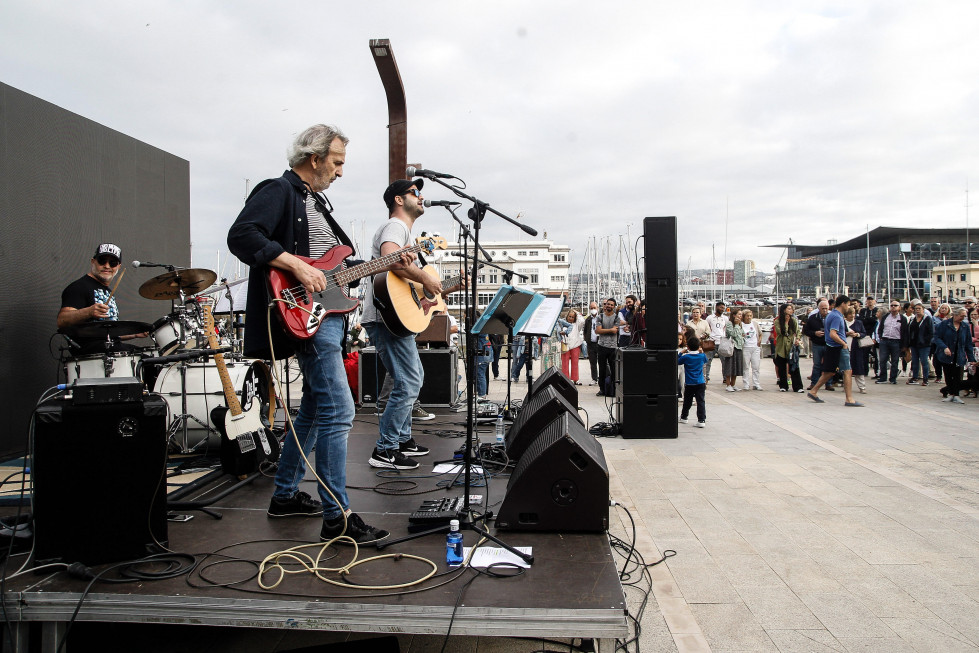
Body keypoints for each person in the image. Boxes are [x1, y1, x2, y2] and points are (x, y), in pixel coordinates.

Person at [227, 124, 400, 545]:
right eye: (337, 162)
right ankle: (337, 517)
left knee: (312, 412)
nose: (340, 172)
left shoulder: (316, 205)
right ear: (315, 157)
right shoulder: (279, 190)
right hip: (305, 316)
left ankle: (284, 495)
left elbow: (326, 266)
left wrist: (349, 276)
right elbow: (242, 235)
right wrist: (297, 266)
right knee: (340, 411)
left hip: (328, 316)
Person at [361, 178, 464, 471]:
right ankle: (385, 449)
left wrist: (447, 286)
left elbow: (416, 287)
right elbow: (390, 261)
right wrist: (427, 278)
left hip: (394, 316)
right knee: (409, 381)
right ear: (398, 200)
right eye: (414, 192)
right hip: (385, 317)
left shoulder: (406, 233)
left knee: (407, 377)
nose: (421, 197)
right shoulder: (396, 226)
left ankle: (402, 439)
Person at [58, 243, 148, 353]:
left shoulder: (108, 291)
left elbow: (107, 332)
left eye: (113, 263)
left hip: (111, 349)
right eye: (102, 261)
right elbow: (62, 320)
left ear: (118, 267)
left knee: (149, 356)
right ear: (93, 261)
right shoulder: (79, 287)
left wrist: (134, 334)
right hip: (92, 354)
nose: (107, 266)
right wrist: (88, 312)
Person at [808, 295, 863, 406]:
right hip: (838, 347)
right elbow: (833, 334)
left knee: (829, 372)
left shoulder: (831, 314)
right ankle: (849, 399)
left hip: (831, 346)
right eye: (848, 304)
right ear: (843, 304)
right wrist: (843, 344)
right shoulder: (837, 317)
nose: (849, 307)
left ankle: (813, 391)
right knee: (847, 371)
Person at [934, 306, 976, 404]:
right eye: (961, 316)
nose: (963, 318)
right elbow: (937, 337)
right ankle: (951, 394)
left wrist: (971, 358)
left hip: (959, 354)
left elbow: (968, 343)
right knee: (948, 374)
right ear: (955, 315)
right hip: (947, 354)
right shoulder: (944, 325)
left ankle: (956, 395)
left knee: (958, 376)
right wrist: (944, 347)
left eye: (964, 316)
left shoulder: (965, 327)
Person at [876, 299, 910, 384]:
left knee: (895, 360)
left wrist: (904, 345)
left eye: (895, 305)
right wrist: (881, 337)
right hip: (885, 340)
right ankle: (883, 377)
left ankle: (893, 378)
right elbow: (880, 328)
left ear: (899, 308)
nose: (893, 307)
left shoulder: (902, 318)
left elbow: (905, 332)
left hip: (896, 341)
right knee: (883, 360)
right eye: (892, 305)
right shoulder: (885, 317)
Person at [804, 299, 834, 391]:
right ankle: (814, 383)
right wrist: (815, 333)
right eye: (822, 309)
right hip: (817, 343)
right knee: (817, 364)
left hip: (829, 344)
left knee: (828, 364)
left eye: (826, 308)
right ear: (819, 308)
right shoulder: (813, 318)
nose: (825, 310)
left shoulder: (832, 317)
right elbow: (806, 331)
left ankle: (828, 383)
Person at [677, 335, 707, 428]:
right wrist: (702, 351)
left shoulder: (686, 357)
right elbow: (706, 360)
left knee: (687, 401)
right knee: (700, 401)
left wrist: (681, 352)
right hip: (700, 382)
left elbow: (677, 361)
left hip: (690, 383)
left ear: (688, 347)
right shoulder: (702, 356)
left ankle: (684, 417)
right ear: (699, 347)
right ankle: (701, 420)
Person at [774, 303, 804, 392]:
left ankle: (798, 387)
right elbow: (781, 332)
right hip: (781, 347)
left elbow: (798, 331)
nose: (791, 310)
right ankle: (783, 386)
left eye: (791, 309)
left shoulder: (794, 320)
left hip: (791, 346)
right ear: (784, 310)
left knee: (794, 366)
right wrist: (786, 323)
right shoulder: (777, 321)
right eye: (788, 309)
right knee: (782, 366)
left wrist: (797, 339)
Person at [594, 297, 620, 396]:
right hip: (601, 346)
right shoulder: (600, 316)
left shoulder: (616, 317)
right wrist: (610, 330)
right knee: (602, 369)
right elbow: (598, 331)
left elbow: (615, 330)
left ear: (614, 307)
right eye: (607, 304)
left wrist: (603, 330)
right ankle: (602, 389)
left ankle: (613, 389)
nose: (609, 306)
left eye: (611, 305)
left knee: (614, 369)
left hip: (613, 347)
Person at [907, 302, 934, 385]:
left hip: (924, 344)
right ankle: (915, 377)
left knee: (924, 361)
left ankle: (925, 378)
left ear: (923, 310)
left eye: (919, 309)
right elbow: (909, 330)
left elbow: (931, 332)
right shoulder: (912, 319)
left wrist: (926, 341)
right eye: (916, 309)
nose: (917, 310)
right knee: (915, 361)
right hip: (914, 343)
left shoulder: (927, 319)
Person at [845, 306, 870, 394]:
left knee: (859, 368)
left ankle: (862, 387)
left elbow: (864, 333)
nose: (852, 315)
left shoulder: (859, 322)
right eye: (850, 314)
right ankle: (846, 386)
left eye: (853, 313)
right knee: (846, 369)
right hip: (845, 348)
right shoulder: (843, 323)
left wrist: (857, 334)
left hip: (857, 348)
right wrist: (847, 333)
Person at [558, 308, 586, 385]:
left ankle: (575, 379)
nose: (571, 318)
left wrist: (577, 313)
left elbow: (582, 321)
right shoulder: (562, 323)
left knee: (575, 363)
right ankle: (565, 379)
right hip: (565, 345)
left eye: (572, 317)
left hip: (575, 345)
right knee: (564, 363)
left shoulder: (577, 324)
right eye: (569, 316)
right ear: (567, 316)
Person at [721, 308, 745, 392]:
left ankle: (733, 384)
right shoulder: (729, 324)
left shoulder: (740, 324)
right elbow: (732, 334)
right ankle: (728, 384)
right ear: (734, 315)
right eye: (739, 314)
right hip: (731, 348)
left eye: (741, 314)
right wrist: (737, 325)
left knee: (737, 367)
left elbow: (742, 334)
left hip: (739, 347)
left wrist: (743, 340)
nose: (740, 316)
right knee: (729, 366)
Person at [704, 301, 728, 383]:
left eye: (723, 308)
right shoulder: (710, 318)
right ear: (717, 307)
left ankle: (725, 378)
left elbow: (726, 329)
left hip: (722, 342)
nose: (722, 309)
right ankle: (706, 377)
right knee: (708, 360)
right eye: (721, 307)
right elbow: (706, 329)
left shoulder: (725, 318)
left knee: (724, 361)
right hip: (712, 341)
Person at [740, 309, 763, 390]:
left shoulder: (755, 324)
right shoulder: (741, 325)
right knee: (745, 366)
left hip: (755, 347)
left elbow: (760, 333)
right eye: (747, 316)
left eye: (750, 316)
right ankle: (746, 384)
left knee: (756, 366)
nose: (749, 317)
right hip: (745, 347)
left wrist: (759, 340)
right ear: (744, 317)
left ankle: (756, 383)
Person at [931, 303, 951, 383]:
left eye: (945, 308)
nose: (943, 310)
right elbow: (934, 328)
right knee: (936, 360)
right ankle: (938, 376)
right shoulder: (934, 318)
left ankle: (947, 377)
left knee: (946, 360)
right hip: (936, 341)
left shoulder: (951, 319)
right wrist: (943, 323)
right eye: (942, 308)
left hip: (947, 342)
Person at [583, 301, 600, 385]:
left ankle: (603, 377)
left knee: (602, 362)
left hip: (600, 343)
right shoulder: (588, 319)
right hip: (591, 343)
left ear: (597, 308)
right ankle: (594, 378)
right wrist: (586, 339)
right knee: (592, 362)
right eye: (591, 308)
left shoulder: (600, 318)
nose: (593, 309)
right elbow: (585, 330)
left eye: (594, 308)